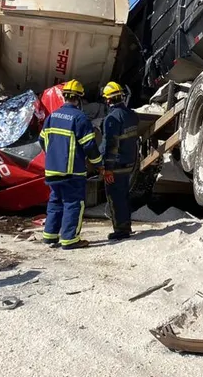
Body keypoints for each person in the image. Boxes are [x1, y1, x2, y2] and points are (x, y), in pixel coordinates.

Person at [40, 80, 102, 250]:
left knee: (55, 202)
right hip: (72, 171)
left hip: (52, 170)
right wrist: (99, 164)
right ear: (79, 99)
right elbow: (89, 145)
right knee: (73, 203)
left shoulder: (52, 116)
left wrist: (53, 156)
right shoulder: (80, 118)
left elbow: (42, 139)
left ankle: (50, 236)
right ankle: (69, 239)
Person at [100, 82, 139, 241]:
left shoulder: (112, 119)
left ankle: (121, 230)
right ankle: (126, 225)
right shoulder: (132, 115)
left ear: (108, 100)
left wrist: (106, 167)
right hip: (129, 163)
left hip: (115, 166)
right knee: (123, 196)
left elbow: (111, 145)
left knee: (115, 198)